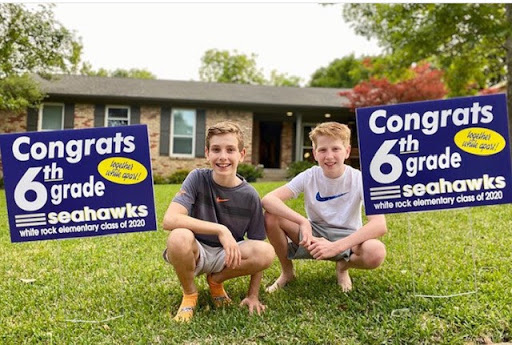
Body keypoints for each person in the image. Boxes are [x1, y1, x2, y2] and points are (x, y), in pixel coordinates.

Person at [162, 121, 275, 322]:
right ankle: (190, 294)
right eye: (216, 149)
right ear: (207, 153)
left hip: (228, 256)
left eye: (230, 150)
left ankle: (216, 281)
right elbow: (170, 219)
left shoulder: (250, 196)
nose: (223, 156)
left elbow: (259, 243)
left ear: (242, 154)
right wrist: (221, 230)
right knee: (178, 236)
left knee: (266, 252)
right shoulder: (197, 178)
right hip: (197, 250)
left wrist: (253, 295)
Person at [262, 122, 387, 293]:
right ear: (314, 153)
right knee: (271, 217)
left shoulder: (360, 179)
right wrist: (302, 222)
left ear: (347, 151)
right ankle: (287, 273)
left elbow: (379, 224)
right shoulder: (309, 175)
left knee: (376, 252)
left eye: (336, 149)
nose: (329, 156)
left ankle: (342, 267)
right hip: (314, 233)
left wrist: (336, 247)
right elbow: (268, 200)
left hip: (348, 236)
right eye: (322, 150)